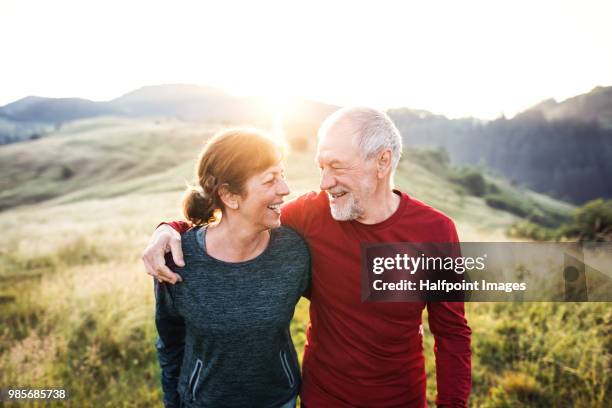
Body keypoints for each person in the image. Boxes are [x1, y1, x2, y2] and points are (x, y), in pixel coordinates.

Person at [143, 107, 472, 407]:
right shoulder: (312, 214)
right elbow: (239, 218)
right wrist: (168, 228)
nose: (325, 182)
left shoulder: (435, 231)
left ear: (382, 162)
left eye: (337, 167)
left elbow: (452, 335)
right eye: (322, 166)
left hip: (401, 400)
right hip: (321, 398)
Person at [152, 128, 310, 408]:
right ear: (229, 195)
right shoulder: (177, 259)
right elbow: (170, 343)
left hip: (278, 401)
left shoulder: (293, 251)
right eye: (270, 180)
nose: (285, 189)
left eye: (282, 175)